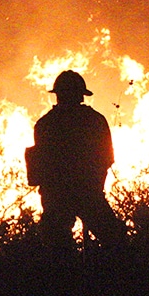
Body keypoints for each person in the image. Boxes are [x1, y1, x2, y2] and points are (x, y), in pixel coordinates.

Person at [29, 70, 126, 250]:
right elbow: (106, 159)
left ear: (57, 95)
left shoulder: (45, 124)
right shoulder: (95, 120)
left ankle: (65, 275)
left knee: (56, 248)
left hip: (57, 197)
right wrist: (94, 186)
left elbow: (40, 166)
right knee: (116, 240)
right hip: (88, 193)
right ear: (81, 95)